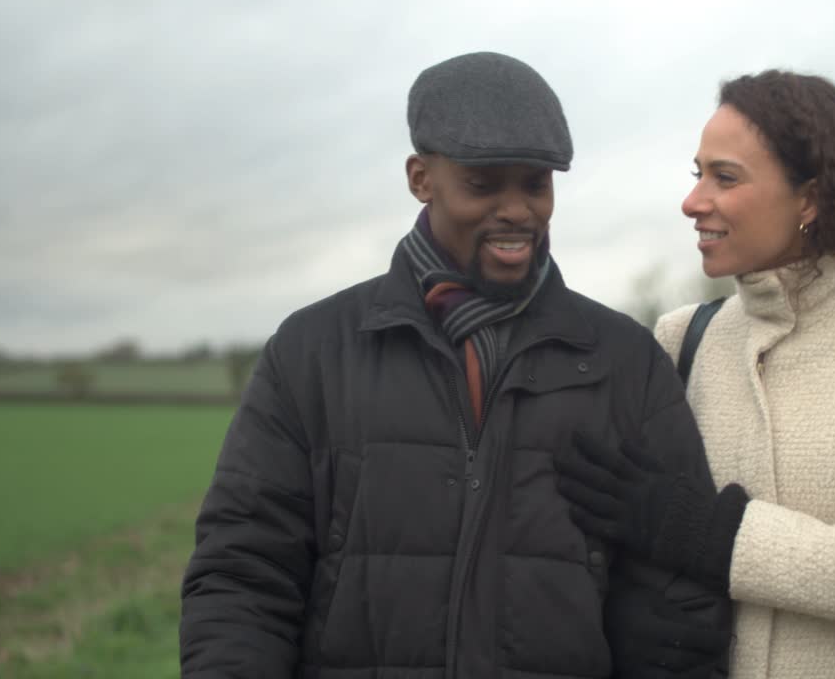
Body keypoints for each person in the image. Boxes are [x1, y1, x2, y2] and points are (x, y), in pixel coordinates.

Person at [179, 51, 733, 679]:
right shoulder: (312, 353)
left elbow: (678, 601)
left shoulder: (624, 363)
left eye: (535, 183)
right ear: (421, 178)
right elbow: (244, 574)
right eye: (483, 184)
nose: (517, 210)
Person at [555, 69, 835, 679]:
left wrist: (712, 535)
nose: (693, 201)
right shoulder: (681, 338)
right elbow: (625, 537)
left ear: (809, 198)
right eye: (696, 174)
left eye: (724, 177)